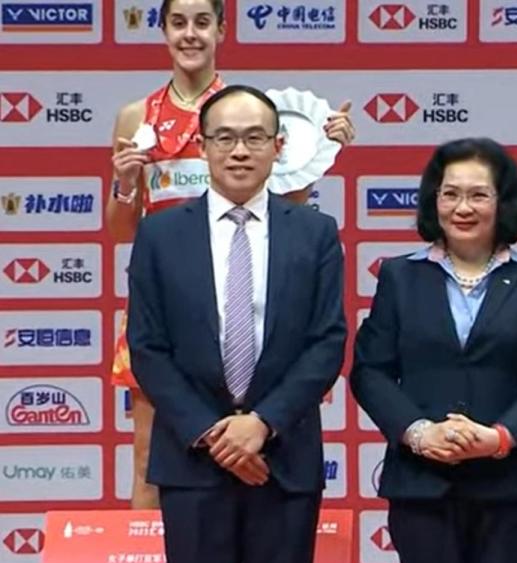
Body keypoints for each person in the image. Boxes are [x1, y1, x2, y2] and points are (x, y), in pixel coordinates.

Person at [108, 0, 354, 509]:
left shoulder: (244, 108)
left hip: (242, 289)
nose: (190, 34)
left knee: (257, 440)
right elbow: (119, 230)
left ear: (222, 29)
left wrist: (317, 157)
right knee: (148, 453)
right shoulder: (135, 116)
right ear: (162, 32)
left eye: (202, 22)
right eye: (178, 23)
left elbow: (284, 207)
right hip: (170, 300)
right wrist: (126, 183)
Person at [127, 85, 347, 563]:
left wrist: (262, 423)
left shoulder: (316, 233)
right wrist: (213, 434)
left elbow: (327, 341)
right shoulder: (160, 235)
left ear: (279, 146)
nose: (240, 151)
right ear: (202, 148)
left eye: (254, 137)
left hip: (284, 459)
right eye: (224, 138)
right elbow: (146, 345)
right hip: (192, 462)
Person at [350, 138, 517, 563]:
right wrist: (417, 433)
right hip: (421, 484)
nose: (462, 207)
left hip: (511, 487)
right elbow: (370, 371)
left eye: (478, 194)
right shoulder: (400, 276)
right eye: (450, 194)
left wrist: (501, 437)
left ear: (503, 202)